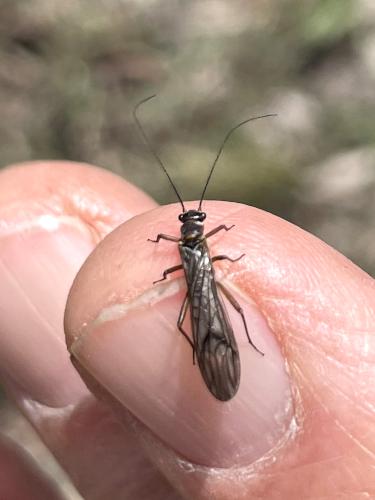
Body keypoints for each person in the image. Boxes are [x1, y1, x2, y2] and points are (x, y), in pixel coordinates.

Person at [0, 161, 373, 499]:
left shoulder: (183, 246)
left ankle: (208, 352)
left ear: (187, 230)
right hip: (205, 291)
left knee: (200, 316)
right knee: (227, 309)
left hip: (199, 297)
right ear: (200, 231)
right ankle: (220, 351)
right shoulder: (202, 249)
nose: (191, 224)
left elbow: (169, 274)